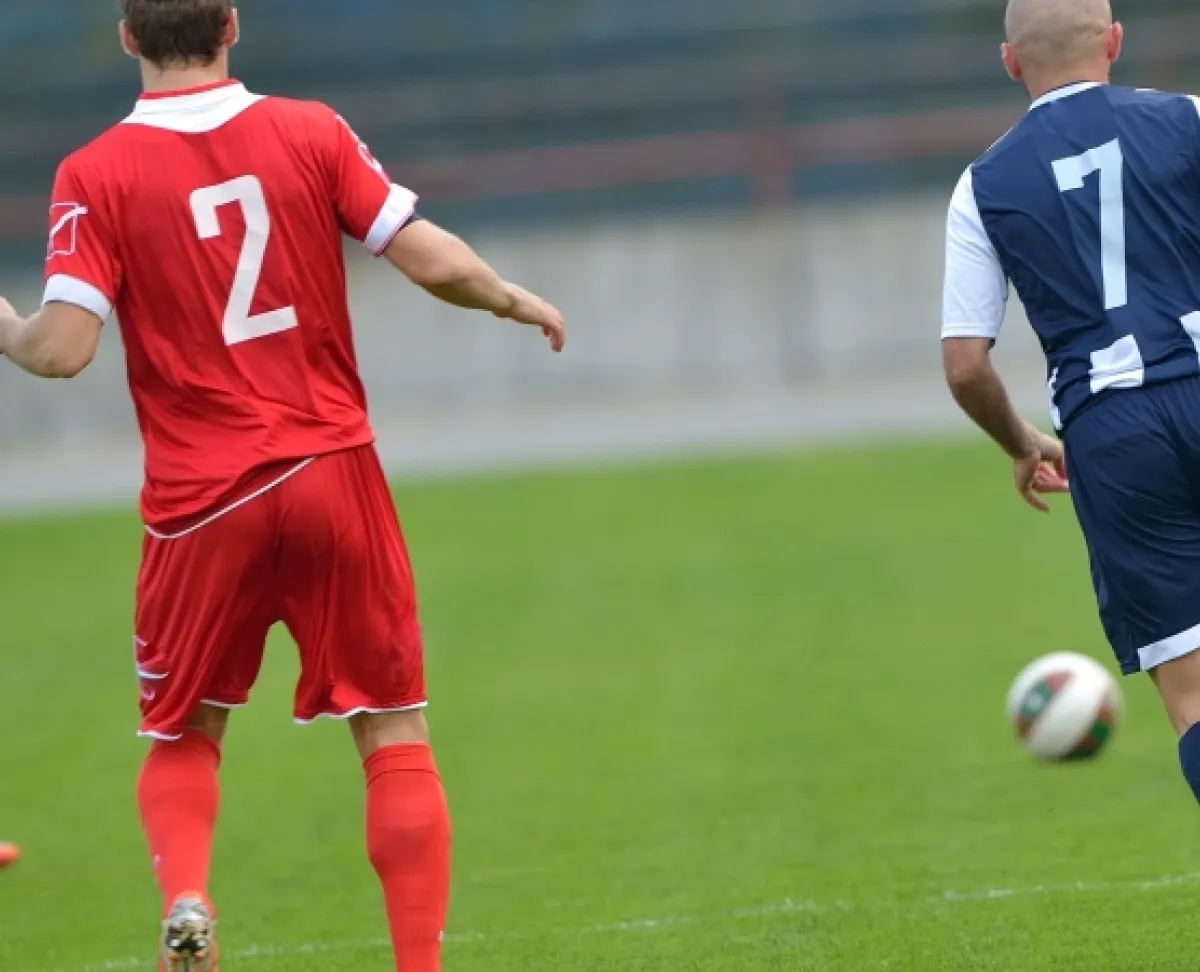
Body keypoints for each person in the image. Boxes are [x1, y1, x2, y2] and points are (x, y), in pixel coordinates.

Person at [0, 1, 565, 969]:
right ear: (231, 24)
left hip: (197, 503)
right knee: (392, 728)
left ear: (129, 38)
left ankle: (188, 900)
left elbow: (65, 351)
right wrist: (509, 295)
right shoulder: (310, 128)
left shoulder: (93, 173)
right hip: (328, 469)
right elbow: (420, 251)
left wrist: (8, 329)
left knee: (183, 730)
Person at [942, 0, 1200, 800]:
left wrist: (1023, 442)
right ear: (1115, 43)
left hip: (1114, 434)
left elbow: (965, 367)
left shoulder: (983, 184)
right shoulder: (1188, 119)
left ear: (1011, 61)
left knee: (1192, 696)